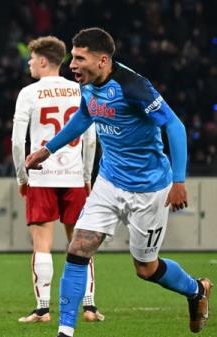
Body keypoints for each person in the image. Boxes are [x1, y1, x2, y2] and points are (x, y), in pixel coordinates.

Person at [24, 27, 212, 337]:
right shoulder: (85, 84)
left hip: (150, 188)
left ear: (102, 60)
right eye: (72, 57)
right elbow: (84, 117)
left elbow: (175, 126)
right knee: (79, 248)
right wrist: (48, 149)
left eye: (80, 58)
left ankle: (196, 290)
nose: (72, 64)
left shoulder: (134, 87)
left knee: (146, 268)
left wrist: (179, 181)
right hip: (109, 181)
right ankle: (65, 331)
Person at [12, 35, 103, 323]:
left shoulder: (28, 93)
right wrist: (87, 176)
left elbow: (17, 142)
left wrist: (21, 176)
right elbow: (90, 139)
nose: (28, 63)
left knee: (42, 244)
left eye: (31, 59)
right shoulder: (80, 90)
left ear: (42, 61)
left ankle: (42, 309)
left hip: (41, 176)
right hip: (75, 176)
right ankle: (88, 307)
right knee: (81, 243)